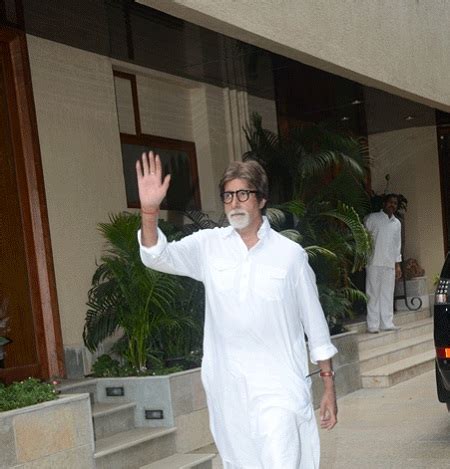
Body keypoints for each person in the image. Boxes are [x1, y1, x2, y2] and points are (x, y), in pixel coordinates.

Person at [136, 151, 338, 469]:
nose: (234, 203)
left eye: (243, 194)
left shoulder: (290, 256)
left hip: (280, 386)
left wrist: (328, 385)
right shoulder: (208, 246)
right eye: (228, 196)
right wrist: (149, 212)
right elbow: (157, 256)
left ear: (261, 199)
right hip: (229, 391)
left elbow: (315, 325)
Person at [364, 194, 402, 333]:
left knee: (387, 293)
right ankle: (373, 325)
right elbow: (364, 239)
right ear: (384, 203)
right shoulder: (372, 218)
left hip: (389, 263)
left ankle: (387, 323)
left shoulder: (397, 223)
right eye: (390, 202)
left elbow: (397, 245)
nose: (393, 205)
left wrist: (397, 264)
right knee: (373, 293)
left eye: (395, 203)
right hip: (374, 261)